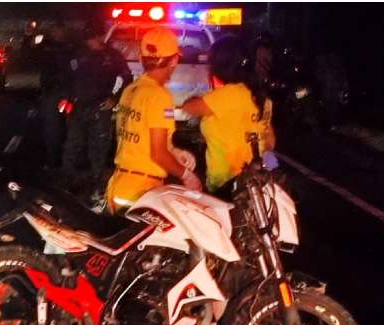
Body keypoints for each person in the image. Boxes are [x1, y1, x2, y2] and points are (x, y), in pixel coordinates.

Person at [105, 27, 201, 214]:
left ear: (142, 59)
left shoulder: (131, 90)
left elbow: (140, 137)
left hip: (121, 185)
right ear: (174, 60)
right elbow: (157, 154)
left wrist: (174, 151)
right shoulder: (159, 96)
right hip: (142, 191)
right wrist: (188, 176)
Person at [181, 36, 275, 193]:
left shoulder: (226, 95)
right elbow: (270, 142)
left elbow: (189, 108)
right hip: (258, 184)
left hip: (227, 183)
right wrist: (272, 171)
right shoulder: (261, 97)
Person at [61, 21, 132, 199]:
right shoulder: (78, 54)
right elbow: (68, 79)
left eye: (93, 37)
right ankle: (67, 183)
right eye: (88, 37)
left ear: (100, 37)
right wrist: (67, 100)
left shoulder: (112, 56)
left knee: (99, 149)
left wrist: (114, 99)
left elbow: (126, 78)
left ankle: (97, 186)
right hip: (78, 107)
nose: (90, 41)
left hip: (101, 108)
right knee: (72, 146)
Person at [38, 21, 74, 169]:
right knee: (52, 128)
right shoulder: (46, 46)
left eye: (59, 29)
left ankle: (67, 161)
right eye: (54, 30)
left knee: (69, 127)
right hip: (52, 93)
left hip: (68, 93)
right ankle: (53, 160)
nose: (57, 32)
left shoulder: (71, 47)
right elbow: (30, 57)